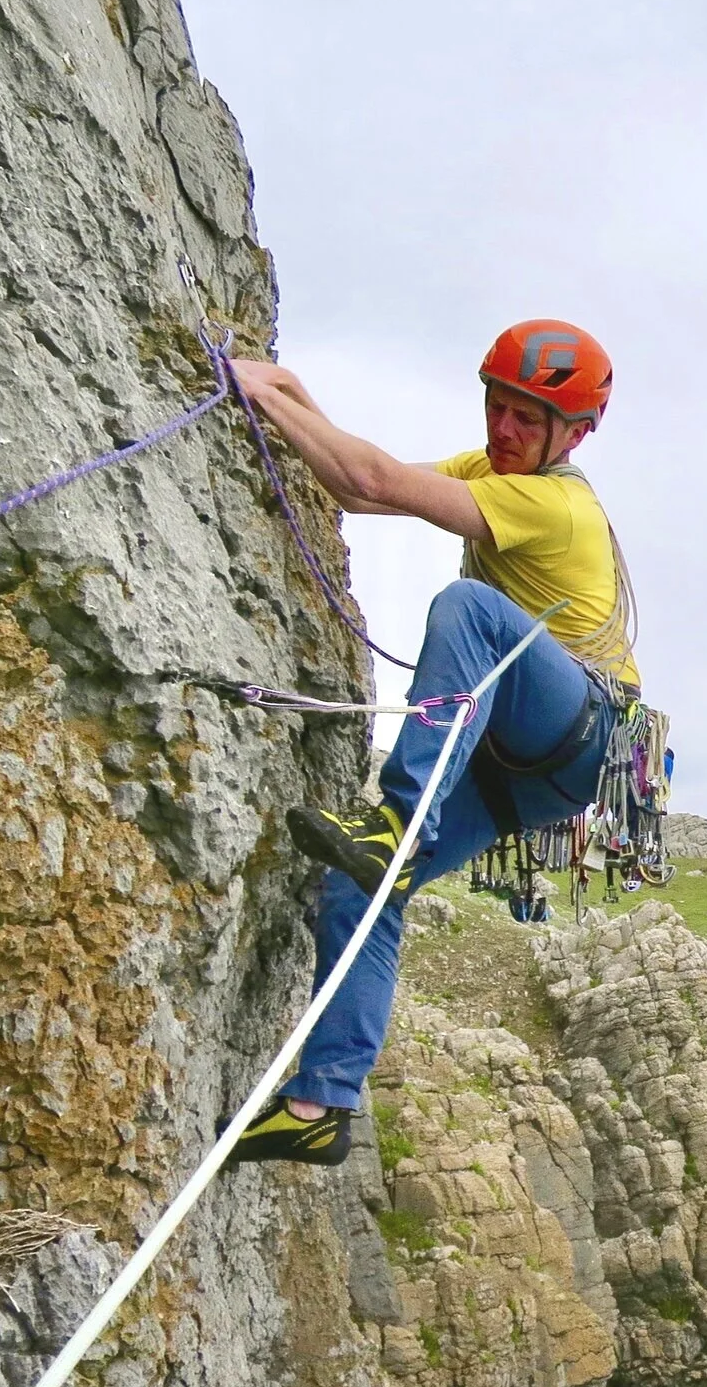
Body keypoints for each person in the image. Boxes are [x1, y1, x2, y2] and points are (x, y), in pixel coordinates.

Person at [221, 321, 639, 1164]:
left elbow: (371, 476)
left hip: (581, 728)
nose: (505, 428)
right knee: (360, 891)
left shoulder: (553, 505)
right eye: (498, 405)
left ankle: (398, 820)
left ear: (574, 434)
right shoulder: (497, 471)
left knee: (467, 608)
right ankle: (320, 1103)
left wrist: (266, 395)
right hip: (519, 759)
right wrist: (291, 395)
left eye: (529, 417)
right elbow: (366, 489)